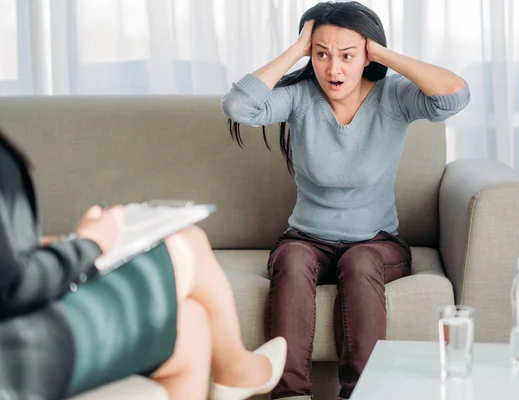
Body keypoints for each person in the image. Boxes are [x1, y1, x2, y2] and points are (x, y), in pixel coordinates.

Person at [221, 1, 470, 399]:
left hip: (377, 244)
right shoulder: (302, 97)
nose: (333, 69)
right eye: (322, 55)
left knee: (360, 260)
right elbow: (238, 106)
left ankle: (363, 392)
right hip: (306, 240)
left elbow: (454, 95)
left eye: (347, 55)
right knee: (293, 257)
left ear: (366, 55)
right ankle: (291, 395)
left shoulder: (393, 98)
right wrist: (298, 47)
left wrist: (383, 53)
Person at [0, 127, 287, 400]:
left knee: (190, 324)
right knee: (188, 240)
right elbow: (13, 284)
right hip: (18, 359)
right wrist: (91, 243)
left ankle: (235, 369)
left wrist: (49, 245)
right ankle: (236, 369)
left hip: (19, 344)